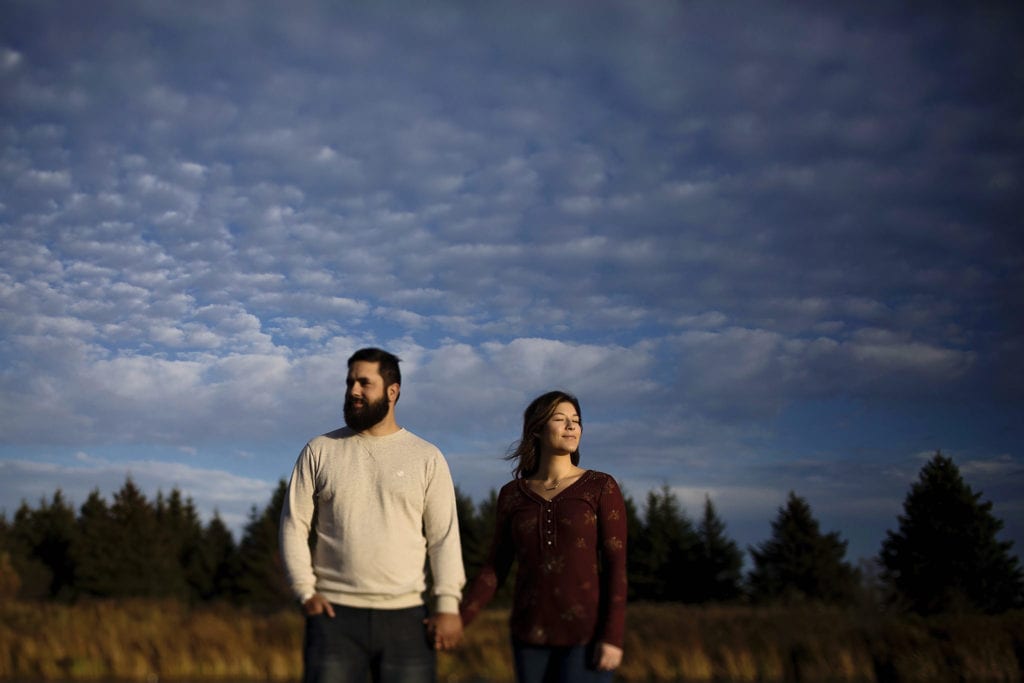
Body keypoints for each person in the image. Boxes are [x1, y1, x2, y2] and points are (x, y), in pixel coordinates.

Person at [279, 347, 466, 683]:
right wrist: (305, 591)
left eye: (364, 383)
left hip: (407, 620)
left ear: (392, 391)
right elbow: (294, 525)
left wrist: (448, 605)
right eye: (350, 382)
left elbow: (443, 537)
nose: (353, 391)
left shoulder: (426, 457)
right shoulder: (319, 450)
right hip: (334, 618)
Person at [460, 390, 628, 683]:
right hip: (528, 636)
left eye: (576, 421)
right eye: (560, 419)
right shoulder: (512, 495)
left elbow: (616, 566)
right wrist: (457, 620)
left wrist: (612, 636)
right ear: (536, 430)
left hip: (585, 637)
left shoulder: (600, 486)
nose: (571, 426)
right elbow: (494, 569)